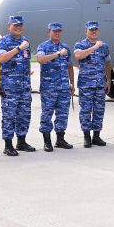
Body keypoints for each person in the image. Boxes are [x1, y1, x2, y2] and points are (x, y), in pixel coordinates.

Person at [0, 15, 35, 156]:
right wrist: (18, 48)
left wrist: (28, 82)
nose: (18, 27)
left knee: (24, 115)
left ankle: (21, 141)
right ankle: (8, 145)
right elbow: (2, 58)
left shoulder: (26, 41)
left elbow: (27, 62)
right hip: (10, 87)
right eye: (15, 25)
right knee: (9, 115)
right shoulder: (4, 41)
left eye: (20, 25)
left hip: (24, 86)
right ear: (9, 26)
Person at [36, 22, 74, 152]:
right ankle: (47, 142)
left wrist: (72, 83)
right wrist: (57, 54)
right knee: (47, 114)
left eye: (59, 31)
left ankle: (60, 139)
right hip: (49, 88)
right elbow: (40, 59)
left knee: (62, 114)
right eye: (54, 31)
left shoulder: (65, 47)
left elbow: (69, 66)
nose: (57, 33)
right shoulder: (43, 46)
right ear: (49, 32)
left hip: (64, 87)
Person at [74, 21, 111, 148]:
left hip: (100, 84)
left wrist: (108, 80)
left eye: (95, 29)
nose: (93, 31)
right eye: (91, 30)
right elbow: (78, 56)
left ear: (98, 31)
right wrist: (94, 47)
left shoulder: (104, 46)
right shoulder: (80, 44)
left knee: (99, 111)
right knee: (85, 111)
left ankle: (96, 136)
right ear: (86, 32)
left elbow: (107, 63)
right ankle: (86, 136)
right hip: (86, 85)